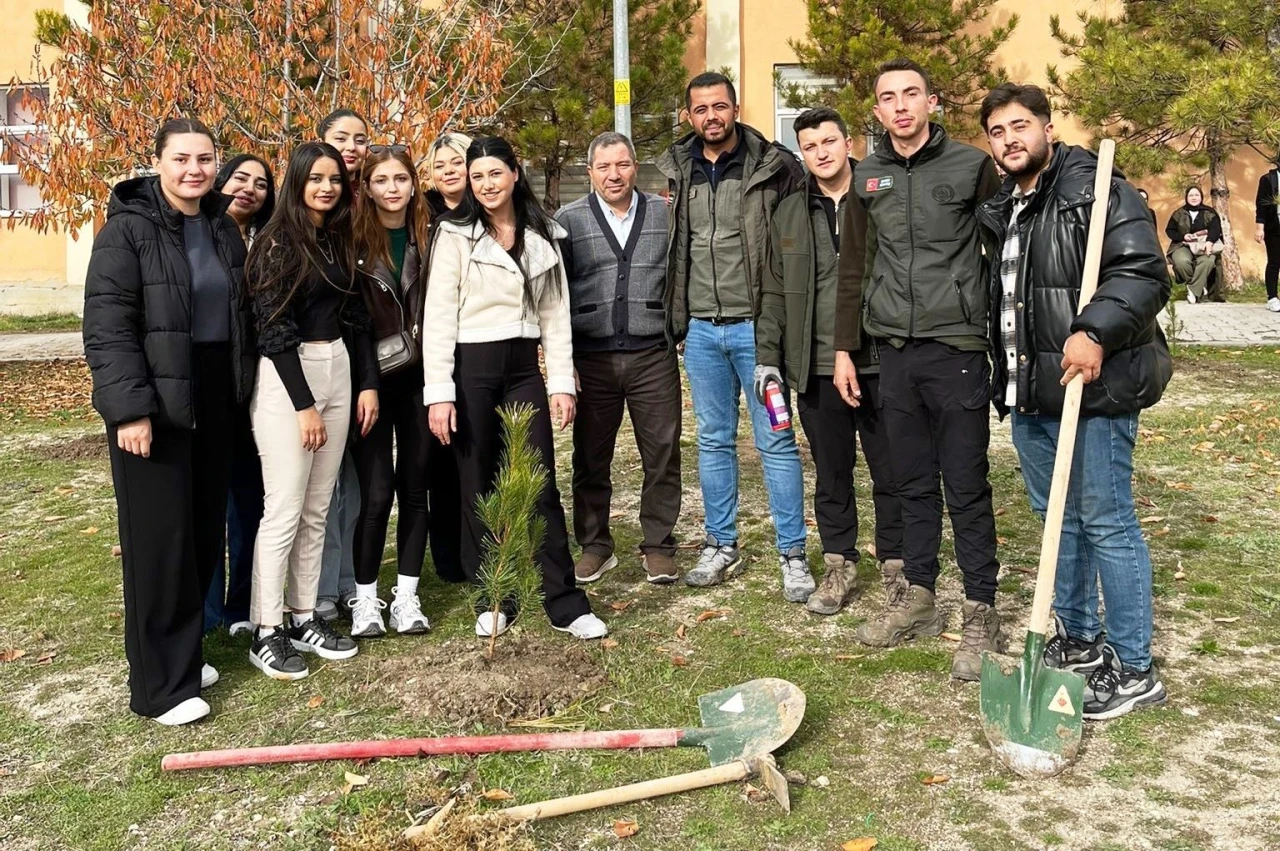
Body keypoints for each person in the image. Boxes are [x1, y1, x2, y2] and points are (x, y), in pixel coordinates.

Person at [978, 82, 1172, 718]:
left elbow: (1143, 274)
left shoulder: (1096, 187)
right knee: (1057, 519)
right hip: (1031, 391)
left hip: (1094, 389)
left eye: (1020, 126)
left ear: (1047, 128)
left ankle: (1135, 668)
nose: (1010, 140)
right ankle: (1082, 637)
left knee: (1106, 521)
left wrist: (1094, 330)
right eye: (998, 132)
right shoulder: (1006, 206)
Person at [834, 58, 1004, 680]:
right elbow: (854, 266)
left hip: (956, 347)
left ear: (933, 102)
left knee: (965, 482)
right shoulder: (866, 176)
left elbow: (1002, 251)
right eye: (889, 97)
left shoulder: (971, 166)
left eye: (912, 94)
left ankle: (981, 608)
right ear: (877, 110)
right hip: (893, 353)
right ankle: (920, 597)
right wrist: (845, 348)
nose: (901, 105)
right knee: (910, 481)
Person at [84, 117, 254, 724]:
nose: (194, 170)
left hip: (214, 394)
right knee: (160, 544)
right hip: (154, 400)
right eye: (181, 158)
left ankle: (183, 654)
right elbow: (108, 328)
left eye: (204, 159)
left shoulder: (221, 226)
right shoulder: (125, 231)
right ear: (157, 162)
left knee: (202, 535)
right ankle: (159, 688)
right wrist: (130, 410)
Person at [423, 135, 608, 641]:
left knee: (540, 482)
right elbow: (438, 317)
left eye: (494, 173)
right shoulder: (453, 234)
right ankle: (494, 597)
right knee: (477, 484)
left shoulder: (544, 232)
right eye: (476, 176)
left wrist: (561, 382)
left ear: (514, 173)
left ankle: (564, 601)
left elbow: (556, 315)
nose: (486, 184)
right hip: (471, 368)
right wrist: (439, 392)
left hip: (524, 368)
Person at [657, 71, 813, 601]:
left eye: (719, 106)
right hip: (702, 334)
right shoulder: (679, 168)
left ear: (736, 107)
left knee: (776, 439)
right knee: (713, 440)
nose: (711, 117)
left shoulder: (775, 166)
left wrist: (782, 324)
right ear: (689, 115)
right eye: (700, 109)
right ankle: (720, 544)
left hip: (758, 331)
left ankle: (793, 553)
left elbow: (796, 246)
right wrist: (680, 320)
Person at [755, 107, 903, 616]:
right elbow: (774, 291)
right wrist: (768, 359)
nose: (821, 153)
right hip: (815, 366)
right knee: (832, 473)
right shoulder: (790, 212)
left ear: (848, 143)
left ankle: (898, 566)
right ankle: (839, 564)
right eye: (810, 146)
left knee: (891, 470)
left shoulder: (879, 196)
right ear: (802, 153)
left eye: (829, 142)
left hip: (879, 359)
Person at [245, 141, 379, 680]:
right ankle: (266, 628)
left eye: (335, 179)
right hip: (289, 377)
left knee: (318, 507)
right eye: (315, 178)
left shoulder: (337, 239)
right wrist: (304, 406)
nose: (326, 187)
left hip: (337, 367)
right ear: (297, 181)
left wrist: (366, 384)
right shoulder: (277, 242)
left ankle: (304, 616)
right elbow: (272, 329)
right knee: (284, 508)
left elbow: (355, 318)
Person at [555, 131, 682, 585]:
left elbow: (680, 275)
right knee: (591, 456)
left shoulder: (664, 214)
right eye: (604, 167)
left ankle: (658, 545)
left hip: (653, 355)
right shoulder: (567, 221)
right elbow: (556, 294)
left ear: (635, 167)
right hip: (592, 359)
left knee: (662, 453)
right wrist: (564, 359)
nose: (614, 175)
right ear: (590, 172)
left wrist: (679, 328)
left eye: (623, 165)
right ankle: (595, 545)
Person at [347, 145, 458, 637]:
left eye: (400, 179)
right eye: (381, 180)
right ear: (367, 188)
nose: (392, 188)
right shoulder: (351, 240)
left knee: (416, 488)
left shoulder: (433, 237)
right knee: (376, 494)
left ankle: (407, 596)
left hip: (421, 379)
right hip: (371, 383)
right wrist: (365, 382)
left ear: (414, 184)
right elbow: (351, 321)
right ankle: (365, 599)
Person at [205, 154, 275, 636]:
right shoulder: (198, 234)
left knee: (251, 502)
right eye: (240, 178)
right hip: (212, 387)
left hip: (259, 387)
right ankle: (208, 610)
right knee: (210, 504)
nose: (249, 188)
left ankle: (242, 607)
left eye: (261, 183)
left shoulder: (271, 240)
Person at [315, 110, 372, 620]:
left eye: (359, 139)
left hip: (361, 359)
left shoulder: (370, 201)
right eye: (341, 138)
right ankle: (321, 588)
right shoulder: (309, 206)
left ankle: (350, 579)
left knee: (351, 481)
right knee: (323, 485)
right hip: (315, 362)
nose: (351, 147)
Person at [1166, 186, 1224, 305]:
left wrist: (1209, 242)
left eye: (1196, 195)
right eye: (1191, 195)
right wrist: (1183, 236)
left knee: (1207, 261)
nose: (1194, 198)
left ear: (1201, 197)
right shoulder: (1179, 213)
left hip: (1204, 245)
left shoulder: (1209, 212)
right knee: (1181, 262)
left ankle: (1193, 289)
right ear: (1186, 197)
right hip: (1182, 245)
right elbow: (1170, 230)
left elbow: (1215, 229)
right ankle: (1200, 288)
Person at [426, 131, 474, 219]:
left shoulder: (491, 208)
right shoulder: (419, 213)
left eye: (457, 162)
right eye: (439, 166)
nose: (448, 171)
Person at [1254, 163, 1280, 312]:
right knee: (1274, 262)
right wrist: (1260, 227)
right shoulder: (1268, 179)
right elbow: (1261, 205)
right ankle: (1272, 298)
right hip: (1274, 226)